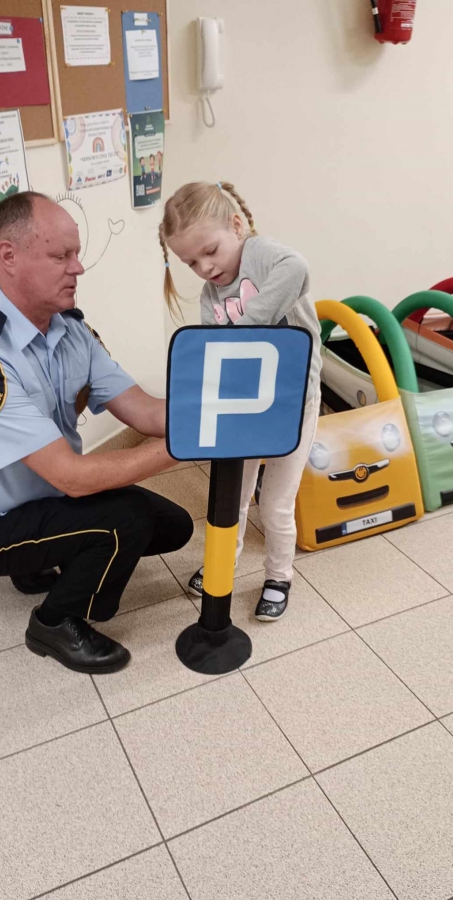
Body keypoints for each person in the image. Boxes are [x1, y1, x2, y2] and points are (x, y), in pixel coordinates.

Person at [0, 191, 193, 674]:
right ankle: (55, 623)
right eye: (61, 256)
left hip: (41, 496)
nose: (78, 267)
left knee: (173, 527)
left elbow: (145, 410)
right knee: (125, 520)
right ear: (9, 256)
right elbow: (72, 477)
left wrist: (210, 417)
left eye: (77, 253)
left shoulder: (70, 331)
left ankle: (34, 563)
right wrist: (190, 444)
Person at [159, 181, 321, 621]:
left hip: (293, 404)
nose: (205, 267)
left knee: (276, 505)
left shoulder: (260, 254)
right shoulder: (211, 294)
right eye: (191, 262)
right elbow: (214, 352)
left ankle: (279, 576)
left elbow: (297, 268)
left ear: (236, 226)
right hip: (243, 407)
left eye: (210, 251)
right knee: (233, 496)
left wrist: (249, 328)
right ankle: (222, 564)